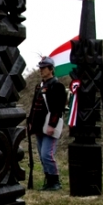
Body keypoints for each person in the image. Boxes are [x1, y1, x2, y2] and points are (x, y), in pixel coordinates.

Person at [27, 56, 67, 191]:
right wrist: (31, 122)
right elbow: (34, 106)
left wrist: (52, 125)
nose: (41, 70)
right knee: (41, 154)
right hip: (39, 125)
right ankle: (48, 180)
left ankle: (55, 181)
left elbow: (57, 108)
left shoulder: (57, 86)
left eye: (44, 68)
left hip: (49, 125)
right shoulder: (39, 86)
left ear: (51, 69)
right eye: (41, 68)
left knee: (46, 154)